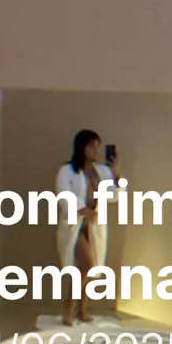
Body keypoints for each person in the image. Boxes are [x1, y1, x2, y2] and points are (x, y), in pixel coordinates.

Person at [56, 129, 122, 326]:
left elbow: (114, 196)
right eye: (92, 147)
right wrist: (83, 210)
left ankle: (81, 311)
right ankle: (69, 310)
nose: (96, 151)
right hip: (74, 226)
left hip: (94, 228)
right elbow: (63, 194)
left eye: (97, 147)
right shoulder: (67, 171)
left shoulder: (101, 172)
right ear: (82, 147)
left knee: (87, 270)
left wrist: (116, 174)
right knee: (86, 265)